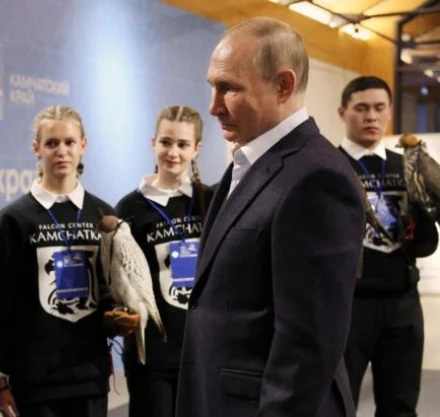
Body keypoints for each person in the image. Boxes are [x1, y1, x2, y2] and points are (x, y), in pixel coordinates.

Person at [175, 17, 366, 417]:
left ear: (283, 85)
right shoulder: (250, 162)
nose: (213, 106)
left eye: (228, 88)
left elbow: (308, 346)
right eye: (213, 87)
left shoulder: (317, 178)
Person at [0, 105, 114, 417]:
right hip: (35, 379)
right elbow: (2, 306)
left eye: (69, 142)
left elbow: (112, 288)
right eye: (51, 143)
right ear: (37, 148)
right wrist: (1, 381)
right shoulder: (14, 218)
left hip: (90, 374)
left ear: (83, 145)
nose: (62, 151)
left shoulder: (103, 214)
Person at [337, 75, 438, 416]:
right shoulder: (328, 166)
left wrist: (424, 227)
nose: (371, 116)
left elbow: (426, 238)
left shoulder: (407, 166)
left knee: (400, 406)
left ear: (390, 112)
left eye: (379, 108)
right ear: (342, 112)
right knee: (337, 403)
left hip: (402, 301)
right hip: (348, 304)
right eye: (361, 108)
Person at [114, 105, 213, 417]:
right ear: (153, 143)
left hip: (203, 350)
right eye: (166, 142)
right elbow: (119, 280)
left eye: (183, 144)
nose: (173, 152)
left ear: (196, 148)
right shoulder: (129, 208)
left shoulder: (210, 201)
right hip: (152, 353)